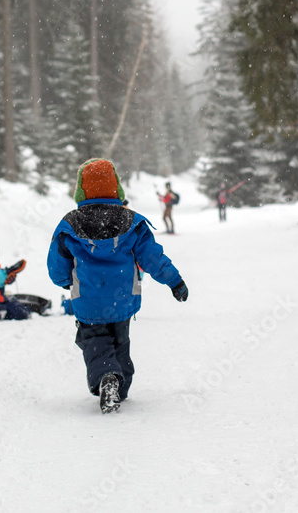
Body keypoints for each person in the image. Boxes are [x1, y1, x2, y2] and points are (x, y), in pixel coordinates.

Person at [47, 158, 188, 413]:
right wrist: (174, 281)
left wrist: (66, 282)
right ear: (117, 189)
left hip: (88, 301)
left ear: (81, 190)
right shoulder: (131, 221)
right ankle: (119, 386)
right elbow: (152, 257)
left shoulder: (70, 224)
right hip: (122, 299)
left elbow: (57, 267)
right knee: (120, 341)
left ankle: (106, 378)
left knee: (94, 341)